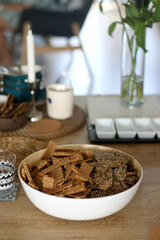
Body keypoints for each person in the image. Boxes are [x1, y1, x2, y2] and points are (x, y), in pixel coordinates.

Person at [0, 0, 58, 66]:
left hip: (42, 17)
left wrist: (2, 6)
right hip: (24, 15)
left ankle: (6, 60)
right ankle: (5, 60)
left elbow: (27, 6)